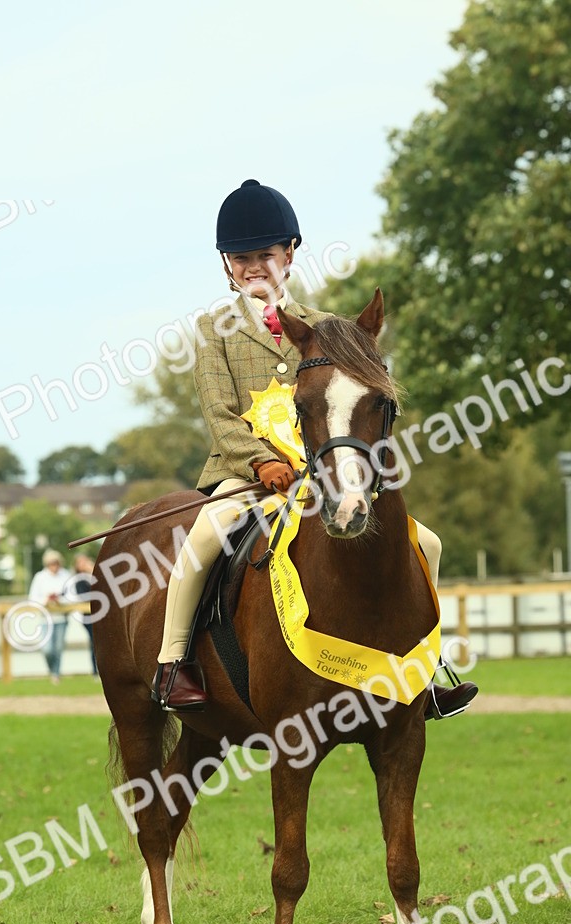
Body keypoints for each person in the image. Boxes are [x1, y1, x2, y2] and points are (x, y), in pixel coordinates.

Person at [152, 179, 478, 721]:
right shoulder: (215, 331)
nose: (254, 266)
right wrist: (261, 460)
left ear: (289, 255)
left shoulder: (328, 327)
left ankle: (425, 668)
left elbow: (350, 410)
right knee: (204, 539)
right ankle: (173, 662)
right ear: (227, 265)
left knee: (430, 544)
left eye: (265, 255)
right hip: (248, 477)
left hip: (323, 478)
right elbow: (219, 414)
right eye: (242, 258)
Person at [28, 549, 72, 683]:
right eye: (51, 563)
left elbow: (71, 596)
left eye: (56, 563)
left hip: (61, 617)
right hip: (45, 618)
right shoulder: (40, 577)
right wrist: (45, 600)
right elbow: (32, 598)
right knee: (47, 649)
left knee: (58, 648)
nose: (54, 566)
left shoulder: (66, 575)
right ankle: (52, 670)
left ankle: (56, 675)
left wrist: (60, 601)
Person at [72, 553, 98, 675]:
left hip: (100, 615)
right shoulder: (79, 580)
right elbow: (86, 597)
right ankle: (95, 671)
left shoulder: (94, 576)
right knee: (95, 643)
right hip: (89, 617)